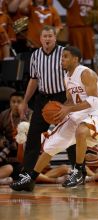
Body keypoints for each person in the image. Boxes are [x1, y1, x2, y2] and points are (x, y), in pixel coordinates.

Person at [10, 45, 98, 191]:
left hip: (96, 114)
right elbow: (70, 100)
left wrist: (69, 109)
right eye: (61, 56)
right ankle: (30, 178)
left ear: (75, 59)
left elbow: (94, 100)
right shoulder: (67, 77)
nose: (61, 59)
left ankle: (78, 171)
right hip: (77, 114)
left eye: (65, 56)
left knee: (81, 132)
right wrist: (61, 110)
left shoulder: (86, 73)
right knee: (51, 145)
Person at [12, 26, 77, 177]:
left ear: (55, 38)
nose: (47, 39)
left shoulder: (64, 53)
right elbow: (34, 80)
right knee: (34, 136)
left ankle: (77, 170)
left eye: (50, 36)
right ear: (40, 39)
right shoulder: (35, 55)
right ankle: (27, 174)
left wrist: (70, 101)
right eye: (44, 36)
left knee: (69, 135)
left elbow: (74, 76)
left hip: (63, 98)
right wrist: (25, 101)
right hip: (43, 99)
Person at [57, 0, 98, 68]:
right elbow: (65, 3)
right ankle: (75, 75)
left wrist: (94, 15)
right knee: (75, 55)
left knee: (89, 56)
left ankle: (89, 73)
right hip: (75, 29)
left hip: (88, 29)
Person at [0, 91, 32, 182]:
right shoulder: (3, 115)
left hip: (25, 150)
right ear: (10, 103)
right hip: (8, 149)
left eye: (19, 102)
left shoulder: (31, 114)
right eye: (13, 102)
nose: (16, 104)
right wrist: (2, 140)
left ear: (25, 103)